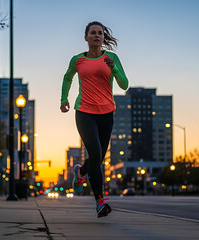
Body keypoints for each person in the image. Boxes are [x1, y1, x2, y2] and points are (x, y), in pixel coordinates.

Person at [60, 21, 129, 218]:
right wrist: (64, 99)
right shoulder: (78, 60)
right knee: (96, 153)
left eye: (100, 33)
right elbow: (67, 78)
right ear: (86, 37)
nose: (97, 35)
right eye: (93, 33)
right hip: (84, 112)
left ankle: (81, 172)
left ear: (103, 37)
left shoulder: (112, 58)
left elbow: (124, 85)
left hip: (107, 113)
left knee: (98, 157)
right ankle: (100, 201)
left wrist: (114, 69)